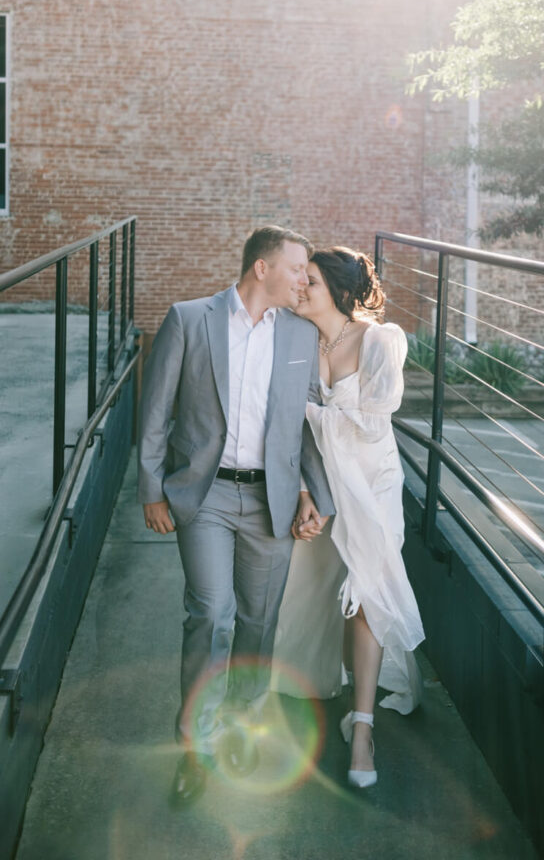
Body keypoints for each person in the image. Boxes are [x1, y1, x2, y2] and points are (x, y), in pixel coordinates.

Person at [137, 225, 334, 806]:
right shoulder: (190, 319)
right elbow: (154, 414)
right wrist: (152, 489)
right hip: (206, 497)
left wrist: (312, 496)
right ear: (262, 269)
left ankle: (243, 722)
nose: (305, 280)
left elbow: (306, 428)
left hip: (272, 500)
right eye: (298, 269)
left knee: (258, 620)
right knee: (211, 614)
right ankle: (195, 745)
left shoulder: (300, 335)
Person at [273, 246, 424, 789]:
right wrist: (304, 492)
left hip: (372, 485)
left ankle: (362, 729)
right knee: (318, 592)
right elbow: (283, 431)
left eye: (309, 280)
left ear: (337, 290)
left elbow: (370, 421)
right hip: (322, 483)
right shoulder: (293, 344)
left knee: (365, 594)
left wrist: (310, 410)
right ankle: (330, 688)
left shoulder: (380, 340)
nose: (300, 289)